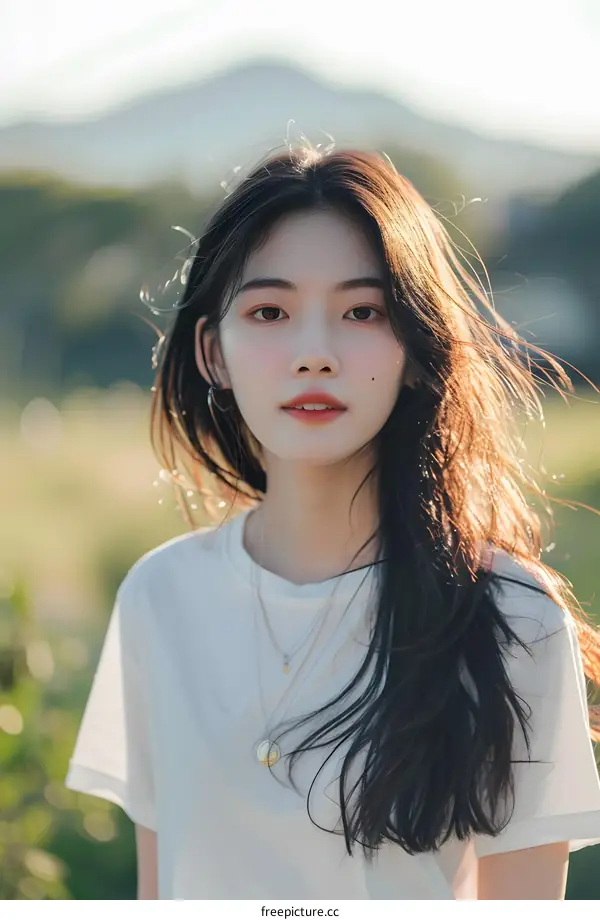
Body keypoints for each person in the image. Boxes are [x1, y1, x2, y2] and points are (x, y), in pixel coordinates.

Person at [64, 143, 600, 900]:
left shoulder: (510, 617)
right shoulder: (159, 598)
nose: (314, 354)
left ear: (415, 349)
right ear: (213, 352)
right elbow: (164, 890)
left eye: (361, 311)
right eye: (270, 312)